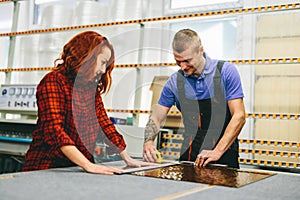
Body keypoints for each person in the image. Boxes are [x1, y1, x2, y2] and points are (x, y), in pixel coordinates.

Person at [23, 31, 152, 174]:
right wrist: (87, 165)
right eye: (102, 63)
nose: (103, 70)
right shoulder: (54, 81)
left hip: (76, 167)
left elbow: (104, 124)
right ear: (86, 57)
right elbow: (54, 130)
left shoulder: (91, 89)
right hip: (47, 167)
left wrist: (128, 159)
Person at [143, 29, 245, 168]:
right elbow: (156, 117)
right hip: (190, 156)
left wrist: (217, 151)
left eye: (187, 60)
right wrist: (148, 142)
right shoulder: (174, 83)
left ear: (200, 50)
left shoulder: (226, 72)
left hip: (224, 155)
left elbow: (239, 116)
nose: (183, 67)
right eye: (178, 62)